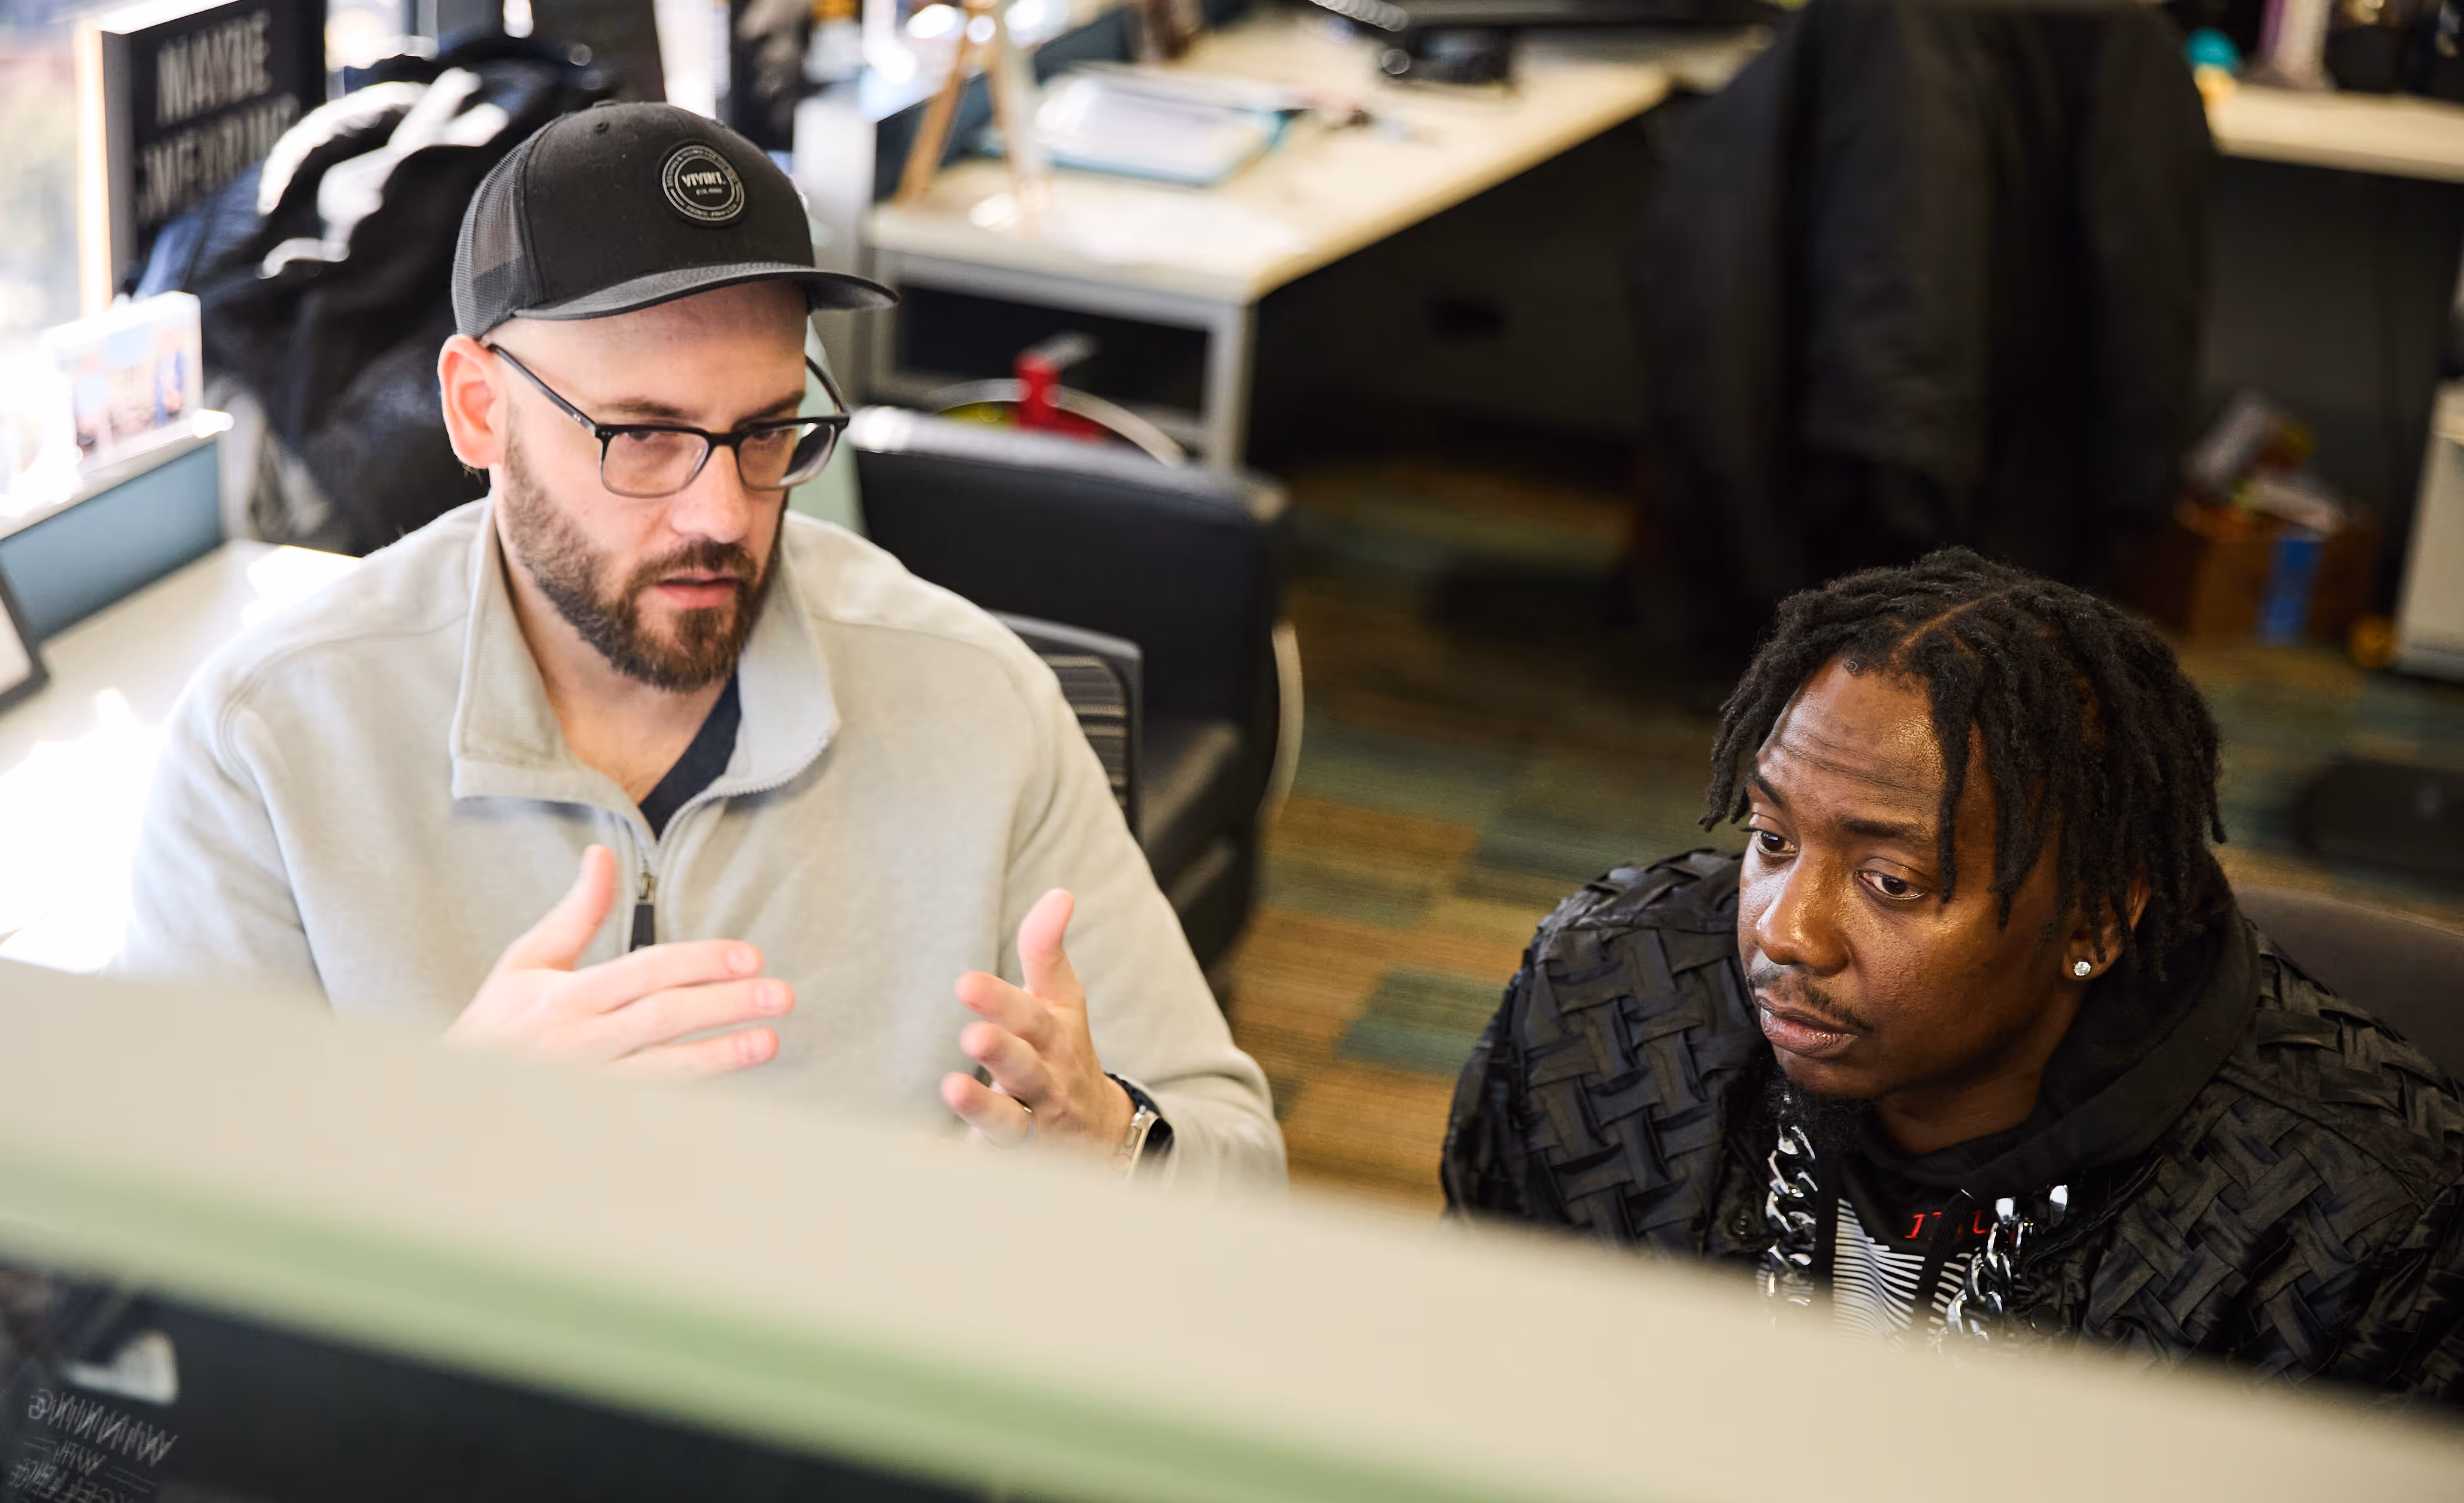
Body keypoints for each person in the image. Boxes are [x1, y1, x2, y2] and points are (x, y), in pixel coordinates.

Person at [116, 103, 1282, 1189]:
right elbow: (159, 1238)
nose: (721, 514)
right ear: (480, 411)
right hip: (454, 1401)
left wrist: (1116, 1142)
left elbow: (1238, 1159)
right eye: (644, 436)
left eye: (767, 431)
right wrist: (438, 1131)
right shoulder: (267, 740)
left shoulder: (975, 701)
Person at [1444, 549, 2464, 1394]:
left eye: (1889, 880)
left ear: (2098, 917)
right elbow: (1466, 1378)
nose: (1786, 933)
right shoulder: (1606, 996)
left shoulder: (2370, 1231)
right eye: (1769, 838)